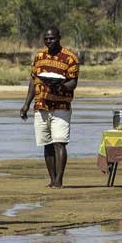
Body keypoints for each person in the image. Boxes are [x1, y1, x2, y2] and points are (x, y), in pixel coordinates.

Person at [19, 26, 79, 188]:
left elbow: (73, 82)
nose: (49, 41)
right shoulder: (39, 57)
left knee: (59, 142)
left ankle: (59, 180)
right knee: (46, 143)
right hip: (41, 105)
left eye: (52, 38)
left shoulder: (70, 58)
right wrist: (26, 104)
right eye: (46, 39)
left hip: (61, 106)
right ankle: (52, 179)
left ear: (59, 38)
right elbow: (33, 81)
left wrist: (61, 86)